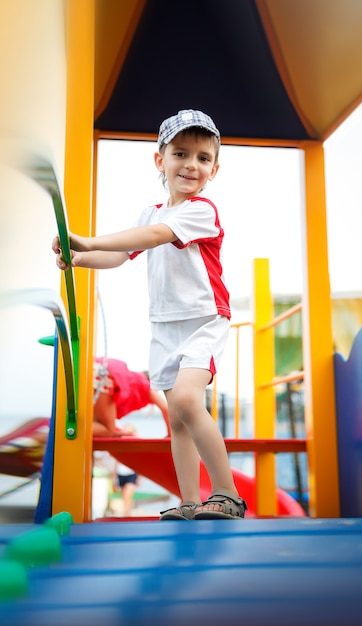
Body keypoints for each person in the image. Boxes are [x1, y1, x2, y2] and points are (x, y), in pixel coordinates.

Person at [52, 109, 247, 520]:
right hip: (164, 327)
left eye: (203, 158)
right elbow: (123, 254)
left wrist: (85, 240)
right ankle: (190, 501)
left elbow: (157, 237)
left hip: (203, 320)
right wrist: (79, 258)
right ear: (161, 160)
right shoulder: (150, 212)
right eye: (181, 153)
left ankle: (228, 493)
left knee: (191, 400)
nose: (191, 165)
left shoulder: (201, 210)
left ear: (214, 169)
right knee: (177, 420)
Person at [93, 357, 170, 437]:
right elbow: (165, 408)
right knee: (107, 429)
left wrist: (117, 432)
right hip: (105, 374)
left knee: (97, 422)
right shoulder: (145, 385)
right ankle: (78, 429)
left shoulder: (130, 380)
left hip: (93, 368)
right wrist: (170, 435)